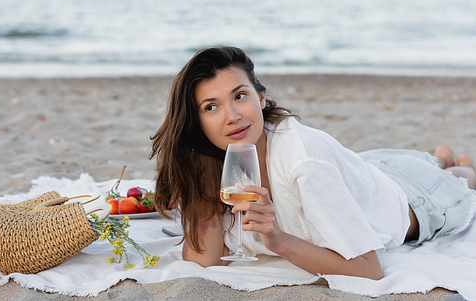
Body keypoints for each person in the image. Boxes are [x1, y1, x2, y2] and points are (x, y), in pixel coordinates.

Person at [150, 46, 476, 280]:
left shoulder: (306, 163)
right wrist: (199, 180)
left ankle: (454, 164)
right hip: (364, 168)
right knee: (423, 162)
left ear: (260, 98)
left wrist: (279, 240)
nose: (232, 117)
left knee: (461, 178)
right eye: (211, 107)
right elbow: (204, 262)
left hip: (415, 197)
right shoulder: (219, 165)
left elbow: (368, 269)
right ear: (196, 123)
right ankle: (441, 156)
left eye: (239, 96)